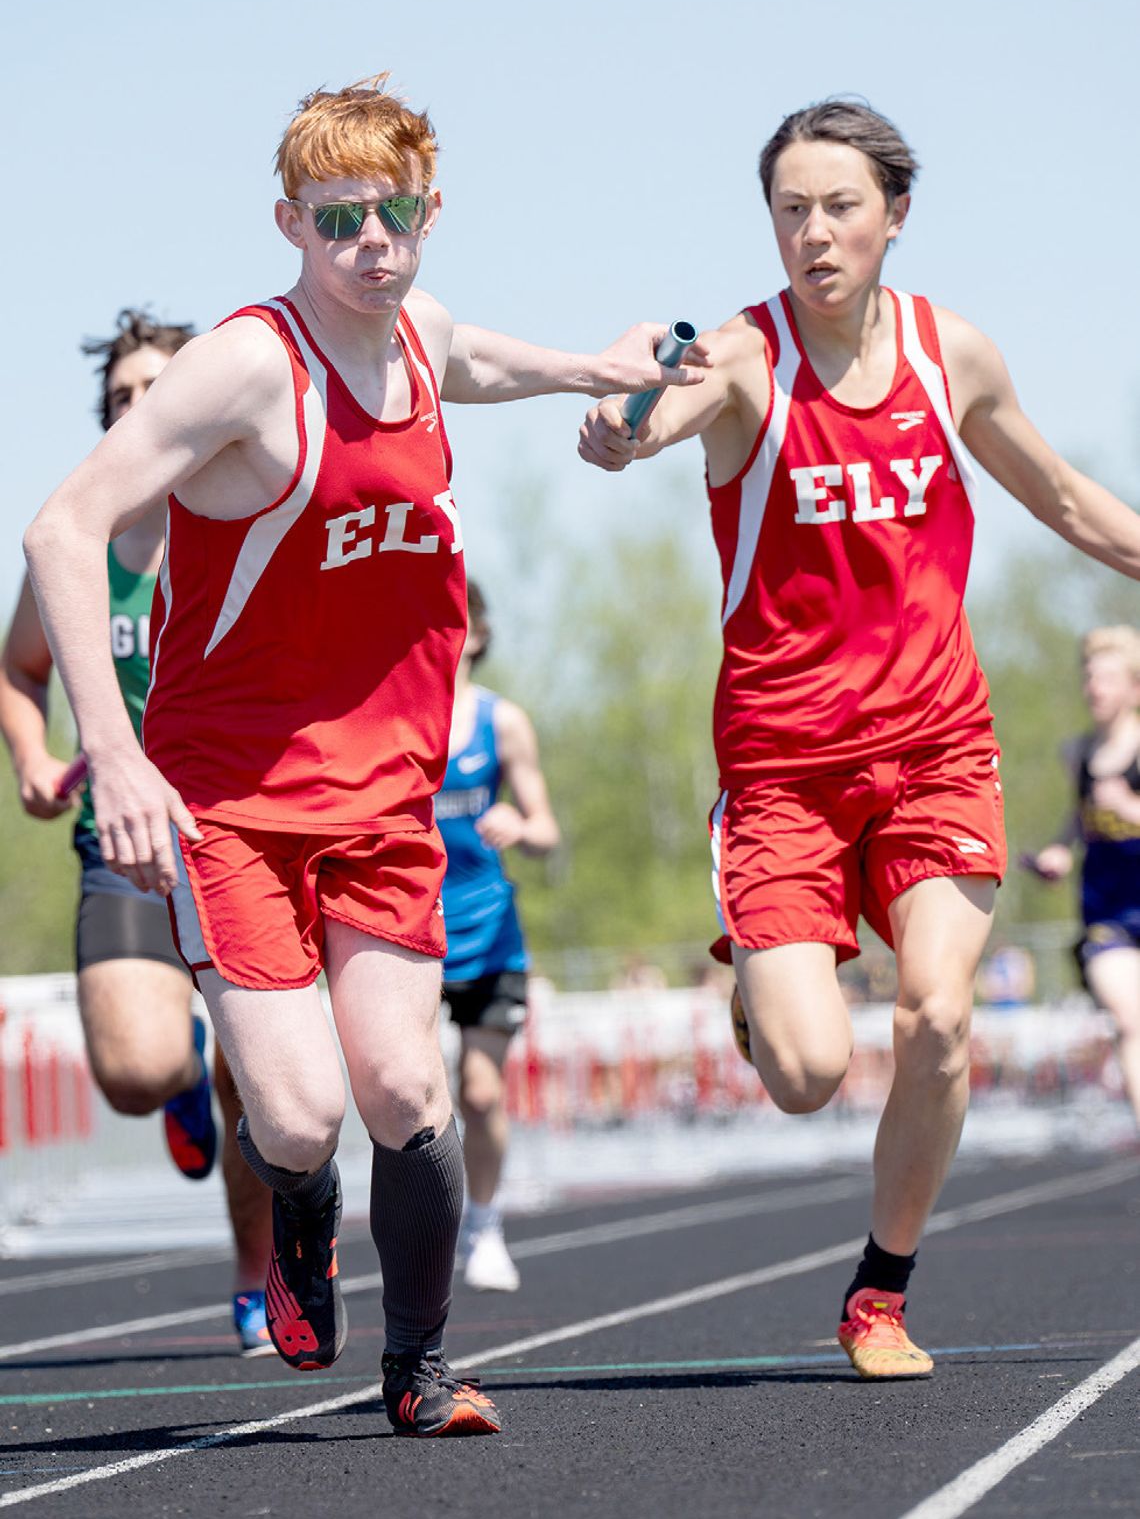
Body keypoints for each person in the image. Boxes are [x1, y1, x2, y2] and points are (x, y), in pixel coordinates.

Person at [22, 75, 701, 1438]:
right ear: (291, 221)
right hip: (231, 800)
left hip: (386, 794)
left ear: (429, 212)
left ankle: (422, 1362)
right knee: (298, 1113)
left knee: (407, 1087)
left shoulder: (419, 327)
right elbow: (60, 527)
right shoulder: (247, 363)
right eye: (339, 222)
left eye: (394, 215)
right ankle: (299, 1217)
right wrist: (116, 746)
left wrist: (601, 369)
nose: (372, 243)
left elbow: (477, 364)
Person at [579, 98, 1140, 1380]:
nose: (814, 233)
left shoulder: (958, 356)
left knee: (939, 1017)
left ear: (895, 214)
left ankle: (879, 1292)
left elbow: (1060, 496)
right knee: (807, 1071)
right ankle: (764, 983)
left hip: (939, 745)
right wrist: (618, 423)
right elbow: (643, 428)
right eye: (790, 211)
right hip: (783, 771)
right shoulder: (742, 359)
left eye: (839, 207)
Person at [0, 310, 273, 1353]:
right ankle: (184, 1061)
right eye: (121, 399)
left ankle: (258, 1276)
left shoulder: (257, 520)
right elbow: (21, 670)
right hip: (119, 840)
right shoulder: (80, 540)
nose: (139, 410)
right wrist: (31, 755)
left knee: (259, 1077)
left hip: (240, 832)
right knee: (134, 1071)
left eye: (158, 390)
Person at [436, 580, 559, 1292]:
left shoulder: (501, 722)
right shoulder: (393, 720)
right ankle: (425, 1236)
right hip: (411, 932)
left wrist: (520, 824)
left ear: (478, 635)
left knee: (480, 1094)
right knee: (415, 1097)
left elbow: (547, 829)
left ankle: (484, 1227)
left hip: (489, 935)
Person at [1028, 626, 1140, 1126]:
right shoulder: (1078, 755)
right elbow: (1077, 821)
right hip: (1107, 911)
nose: (1095, 688)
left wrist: (1131, 809)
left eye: (1107, 678)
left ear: (1134, 688)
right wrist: (1058, 852)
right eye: (1090, 677)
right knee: (1130, 1020)